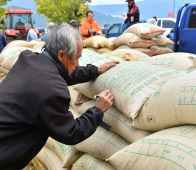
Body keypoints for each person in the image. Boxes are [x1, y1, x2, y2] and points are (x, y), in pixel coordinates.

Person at [0, 24, 119, 170]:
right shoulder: (52, 89)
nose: (77, 63)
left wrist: (95, 70)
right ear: (61, 55)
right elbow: (71, 133)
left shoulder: (30, 60)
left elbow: (63, 72)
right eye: (76, 58)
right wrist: (98, 109)